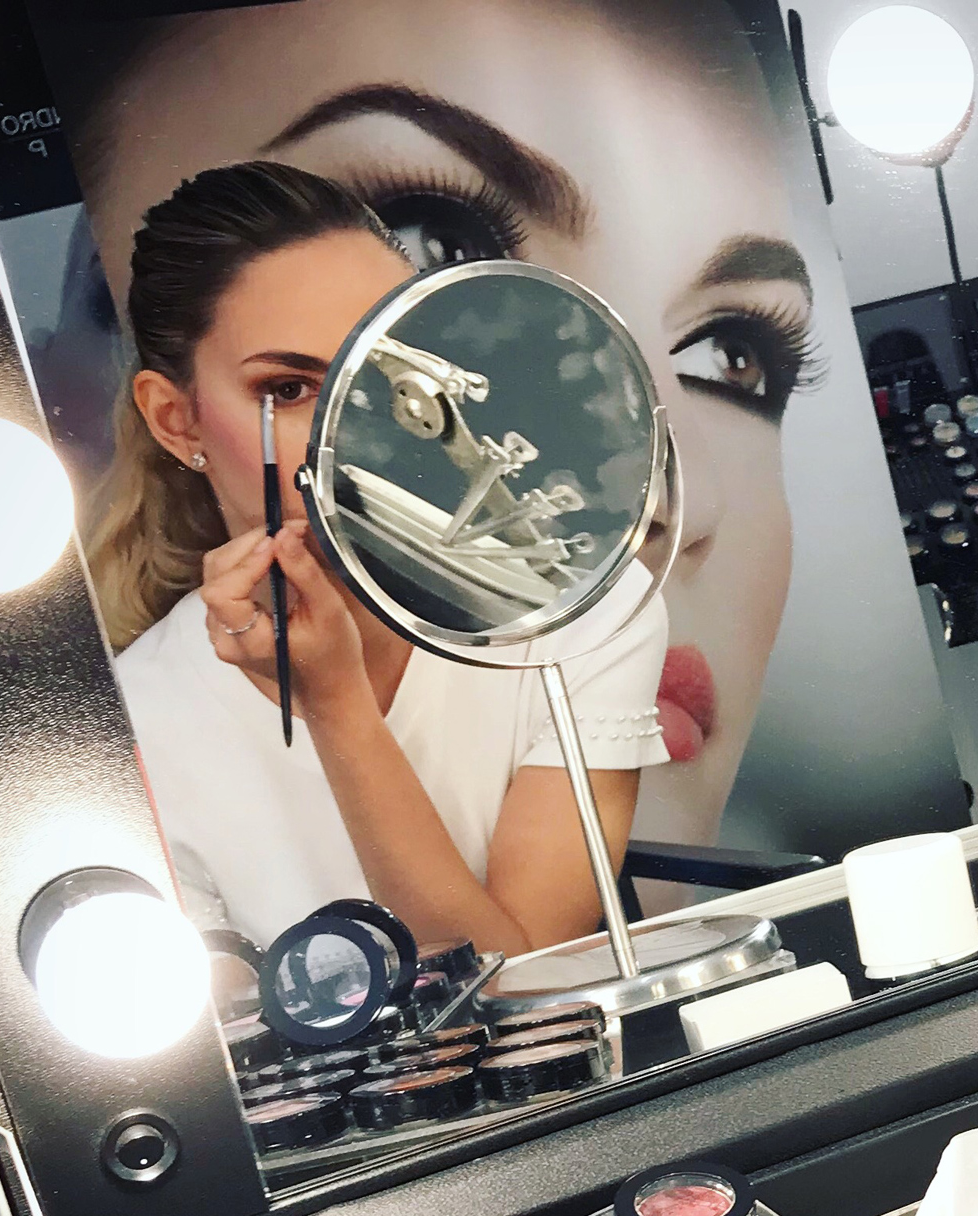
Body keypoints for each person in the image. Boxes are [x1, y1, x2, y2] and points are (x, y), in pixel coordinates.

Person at [48, 0, 824, 862]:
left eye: (731, 355)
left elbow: (537, 940)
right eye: (445, 246)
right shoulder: (125, 736)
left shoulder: (596, 635)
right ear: (174, 417)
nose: (676, 500)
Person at [91, 161, 668, 952]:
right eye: (290, 389)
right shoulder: (128, 728)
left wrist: (338, 706)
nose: (359, 427)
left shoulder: (580, 610)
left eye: (387, 368)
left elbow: (517, 980)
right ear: (176, 421)